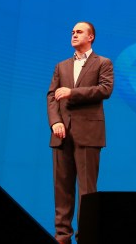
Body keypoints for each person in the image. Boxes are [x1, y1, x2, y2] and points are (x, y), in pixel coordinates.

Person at [47, 21, 114, 244]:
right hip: (61, 134)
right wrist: (55, 122)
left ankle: (86, 237)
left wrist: (72, 93)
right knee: (62, 189)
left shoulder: (103, 63)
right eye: (72, 32)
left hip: (88, 133)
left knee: (87, 190)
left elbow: (105, 89)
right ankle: (62, 237)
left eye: (79, 32)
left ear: (91, 37)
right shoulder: (61, 66)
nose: (74, 35)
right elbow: (51, 96)